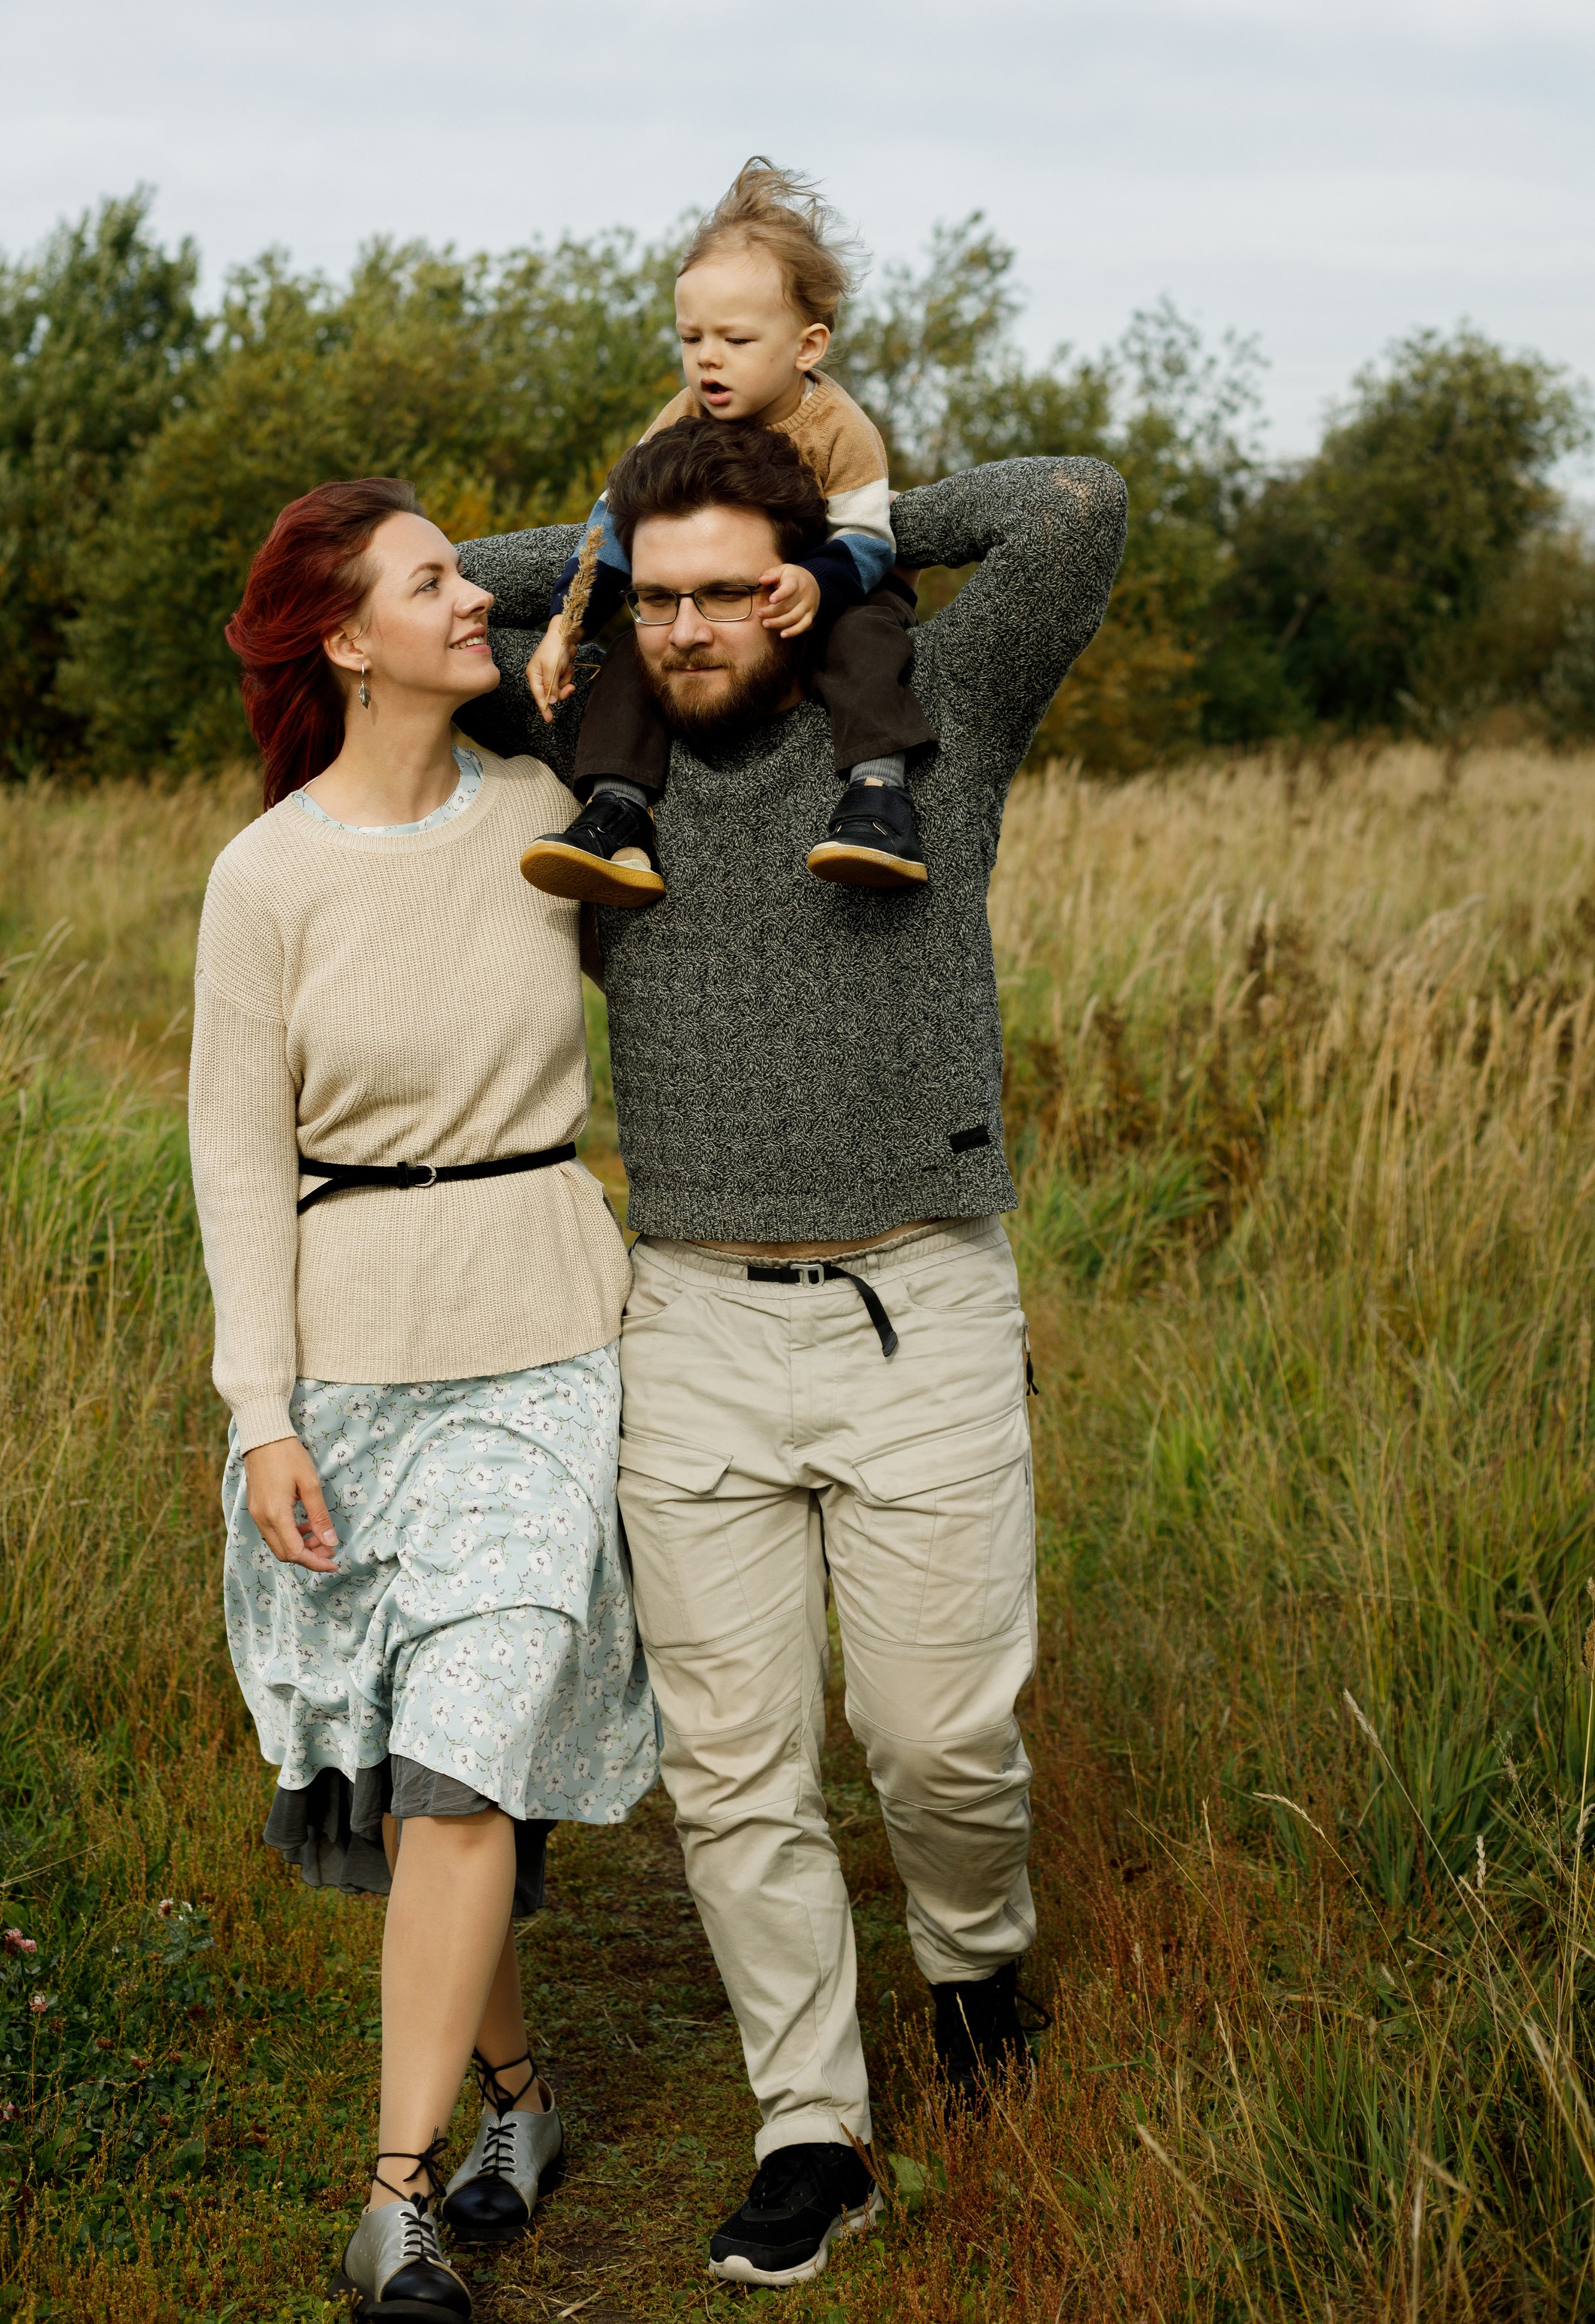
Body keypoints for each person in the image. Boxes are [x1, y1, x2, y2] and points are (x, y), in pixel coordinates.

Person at [457, 420, 1126, 2290]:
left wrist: (843, 543)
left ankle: (975, 1967)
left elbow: (1073, 506)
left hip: (918, 1304)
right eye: (651, 598)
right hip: (683, 1322)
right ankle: (806, 2125)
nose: (680, 628)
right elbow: (421, 582)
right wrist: (599, 550)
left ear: (790, 580)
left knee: (937, 1744)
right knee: (735, 1766)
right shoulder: (593, 749)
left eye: (715, 592)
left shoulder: (928, 715)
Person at [189, 478, 657, 2324]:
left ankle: (391, 2208)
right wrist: (259, 1413)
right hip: (347, 1364)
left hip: (544, 1333)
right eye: (428, 582)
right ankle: (522, 2099)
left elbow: (583, 571)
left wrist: (504, 598)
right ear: (338, 637)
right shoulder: (267, 877)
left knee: (466, 1746)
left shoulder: (557, 816)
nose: (477, 600)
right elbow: (234, 1160)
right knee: (416, 1777)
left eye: (476, 573)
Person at [517, 158, 935, 907]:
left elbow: (871, 540)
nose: (707, 358)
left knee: (867, 643)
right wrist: (563, 621)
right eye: (691, 337)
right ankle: (617, 811)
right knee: (630, 661)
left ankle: (878, 796)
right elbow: (608, 529)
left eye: (735, 340)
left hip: (837, 592)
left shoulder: (837, 426)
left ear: (807, 346)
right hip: (717, 615)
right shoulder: (681, 415)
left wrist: (816, 579)